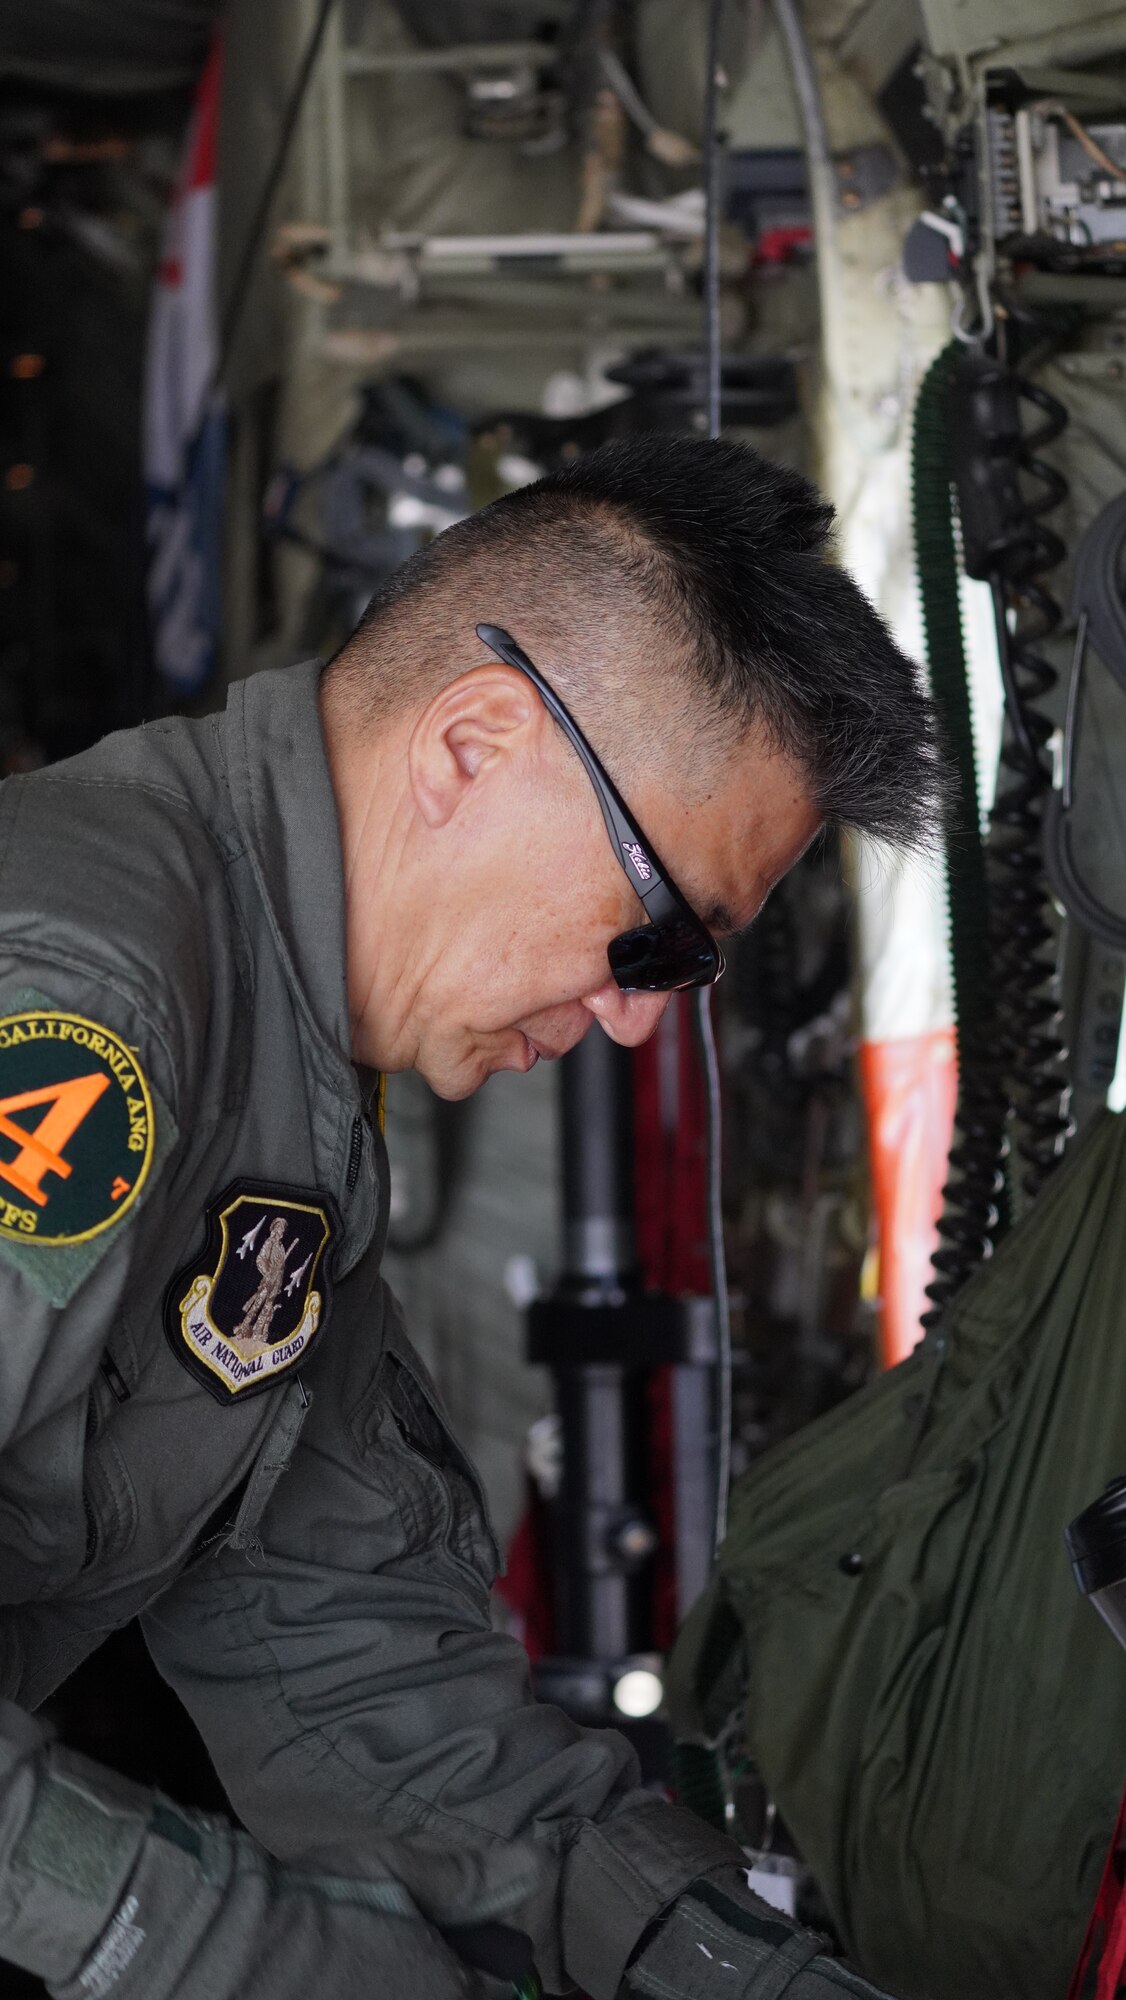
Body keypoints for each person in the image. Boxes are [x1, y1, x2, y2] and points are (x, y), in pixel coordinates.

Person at [0, 435, 941, 2000]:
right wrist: (258, 1956)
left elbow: (337, 1657)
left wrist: (708, 1963)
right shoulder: (85, 1004)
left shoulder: (283, 1077)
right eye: (659, 942)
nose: (643, 1024)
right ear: (474, 743)